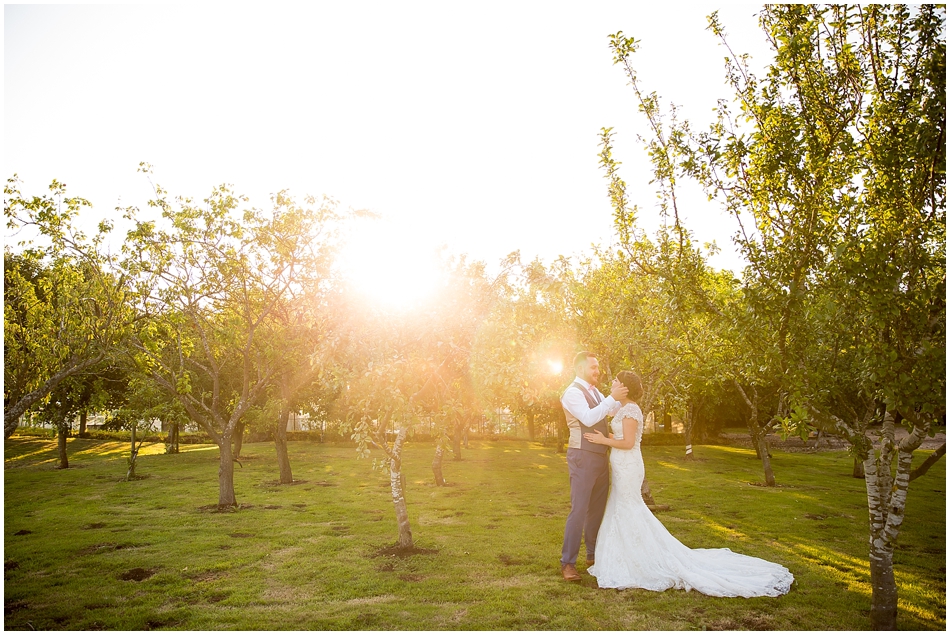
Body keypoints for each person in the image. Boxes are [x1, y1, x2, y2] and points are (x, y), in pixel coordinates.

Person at [584, 370, 794, 597]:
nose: (612, 383)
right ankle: (625, 555)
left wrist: (602, 440)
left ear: (625, 387)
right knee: (621, 507)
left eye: (616, 381)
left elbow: (627, 442)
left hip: (628, 465)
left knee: (628, 507)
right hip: (622, 465)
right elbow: (619, 434)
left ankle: (643, 558)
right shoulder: (623, 408)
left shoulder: (632, 409)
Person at [559, 351, 628, 582]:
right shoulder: (572, 393)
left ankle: (592, 555)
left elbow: (610, 411)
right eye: (593, 368)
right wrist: (611, 397)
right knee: (579, 510)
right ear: (580, 369)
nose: (597, 371)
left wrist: (625, 401)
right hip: (582, 457)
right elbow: (588, 418)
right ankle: (568, 563)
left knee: (597, 510)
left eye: (598, 367)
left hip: (600, 456)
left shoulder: (596, 392)